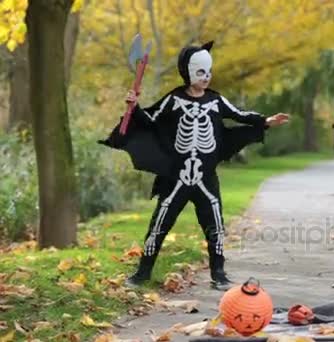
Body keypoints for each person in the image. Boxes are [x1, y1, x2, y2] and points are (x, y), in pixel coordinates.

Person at [100, 41, 289, 290]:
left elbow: (240, 114)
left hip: (205, 176)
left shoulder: (215, 100)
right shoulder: (174, 99)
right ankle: (142, 272)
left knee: (215, 225)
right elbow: (151, 120)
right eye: (201, 72)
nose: (206, 77)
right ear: (188, 73)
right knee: (160, 222)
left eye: (209, 72)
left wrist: (265, 121)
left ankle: (218, 274)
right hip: (176, 176)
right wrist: (133, 107)